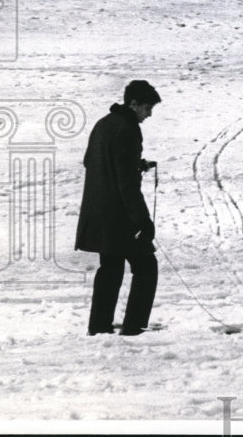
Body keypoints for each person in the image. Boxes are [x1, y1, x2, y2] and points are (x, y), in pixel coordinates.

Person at [75, 80, 162, 336]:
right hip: (120, 216)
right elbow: (126, 185)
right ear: (133, 104)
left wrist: (136, 164)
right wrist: (143, 221)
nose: (149, 114)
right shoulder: (128, 129)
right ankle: (134, 327)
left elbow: (92, 160)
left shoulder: (104, 123)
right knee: (146, 266)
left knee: (111, 268)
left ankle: (99, 327)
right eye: (147, 108)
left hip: (99, 214)